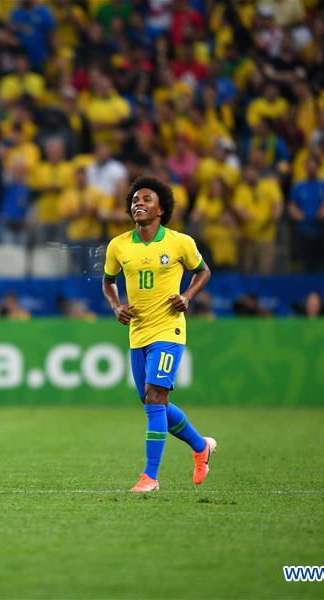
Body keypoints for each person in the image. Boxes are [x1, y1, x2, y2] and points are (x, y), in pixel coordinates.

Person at [102, 176, 215, 493]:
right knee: (153, 402)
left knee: (154, 398)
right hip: (138, 332)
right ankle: (200, 446)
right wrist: (115, 306)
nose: (139, 202)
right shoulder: (119, 245)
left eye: (147, 198)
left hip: (169, 328)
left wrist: (188, 296)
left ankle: (149, 477)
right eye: (135, 199)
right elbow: (108, 281)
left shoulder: (180, 242)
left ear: (161, 209)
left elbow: (203, 271)